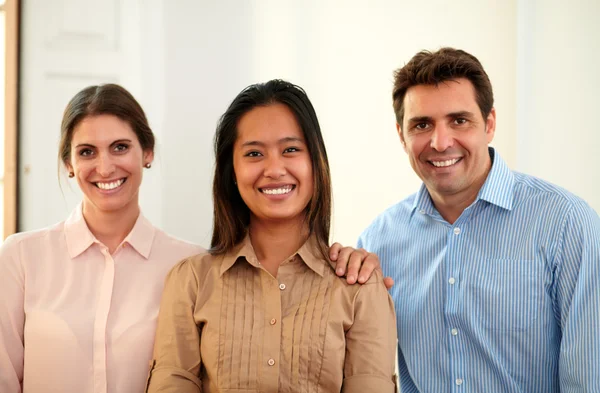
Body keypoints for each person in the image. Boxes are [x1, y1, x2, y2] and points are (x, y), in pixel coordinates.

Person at [356, 47, 600, 392]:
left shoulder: (566, 224)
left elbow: (589, 380)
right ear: (401, 135)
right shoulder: (378, 242)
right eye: (422, 124)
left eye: (459, 120)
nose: (440, 142)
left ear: (489, 124)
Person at [146, 79, 397, 393]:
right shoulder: (191, 282)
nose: (275, 169)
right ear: (232, 173)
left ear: (315, 162)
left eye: (291, 149)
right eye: (254, 154)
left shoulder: (359, 287)